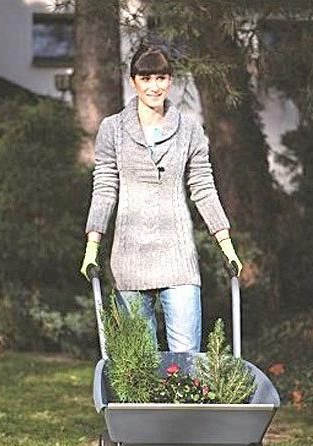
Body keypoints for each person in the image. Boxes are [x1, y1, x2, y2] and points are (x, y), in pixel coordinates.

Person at [80, 44, 242, 355]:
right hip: (130, 258)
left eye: (161, 78)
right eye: (146, 78)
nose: (154, 87)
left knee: (186, 358)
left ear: (170, 80)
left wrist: (226, 244)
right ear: (133, 82)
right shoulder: (113, 129)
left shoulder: (189, 129)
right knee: (141, 361)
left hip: (177, 258)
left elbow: (202, 186)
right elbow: (105, 188)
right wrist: (92, 245)